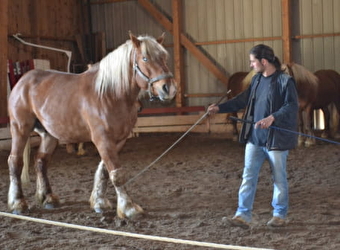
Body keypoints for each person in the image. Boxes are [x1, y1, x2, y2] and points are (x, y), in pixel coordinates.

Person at [208, 44, 299, 229]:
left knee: (279, 178)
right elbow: (242, 100)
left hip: (276, 140)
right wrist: (219, 108)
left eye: (253, 62)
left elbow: (291, 106)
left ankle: (279, 215)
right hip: (255, 139)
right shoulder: (257, 80)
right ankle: (242, 215)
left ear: (263, 61)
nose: (251, 65)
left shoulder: (285, 81)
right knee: (248, 176)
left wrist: (273, 117)